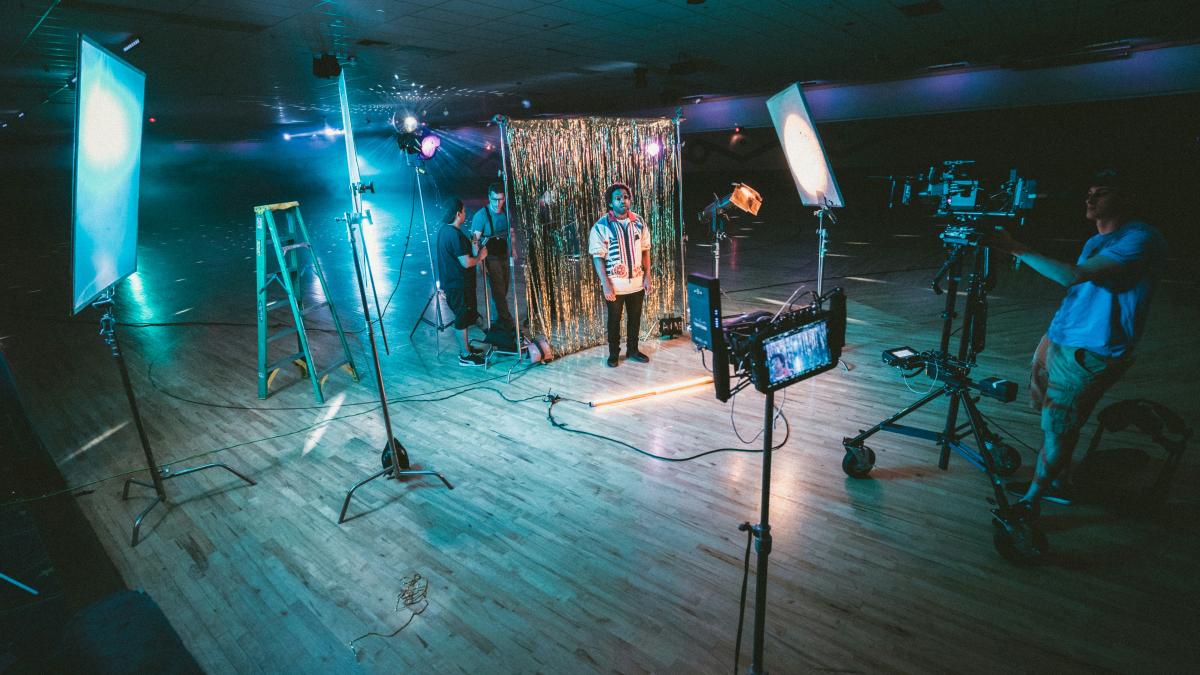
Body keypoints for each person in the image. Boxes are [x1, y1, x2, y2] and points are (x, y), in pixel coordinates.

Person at [989, 169, 1166, 514]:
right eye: (1089, 192)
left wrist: (1015, 248)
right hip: (1060, 339)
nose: (1090, 198)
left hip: (1091, 351)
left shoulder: (1140, 238)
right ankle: (1056, 478)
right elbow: (1081, 294)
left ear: (1127, 199)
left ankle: (1031, 503)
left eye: (1101, 192)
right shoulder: (1095, 241)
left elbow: (1071, 277)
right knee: (1051, 421)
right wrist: (1050, 337)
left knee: (1059, 428)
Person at [589, 182, 652, 368]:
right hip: (615, 285)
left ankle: (633, 350)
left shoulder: (639, 222)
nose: (623, 201)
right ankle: (613, 354)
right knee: (614, 320)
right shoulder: (601, 226)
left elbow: (646, 250)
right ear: (610, 203)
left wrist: (647, 275)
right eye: (618, 198)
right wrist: (605, 283)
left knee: (635, 318)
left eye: (625, 197)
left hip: (637, 283)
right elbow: (597, 257)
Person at [435, 198, 489, 366]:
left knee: (467, 315)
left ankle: (467, 348)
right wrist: (481, 256)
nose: (465, 214)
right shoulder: (454, 234)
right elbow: (466, 263)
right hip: (458, 285)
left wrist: (473, 247)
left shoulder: (445, 231)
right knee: (462, 318)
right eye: (464, 211)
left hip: (456, 284)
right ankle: (465, 356)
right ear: (458, 213)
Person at [470, 183, 514, 328]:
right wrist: (479, 263)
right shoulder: (481, 216)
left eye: (500, 199)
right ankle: (506, 320)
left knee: (503, 289)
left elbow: (511, 233)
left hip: (503, 255)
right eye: (494, 199)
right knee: (498, 290)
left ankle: (498, 319)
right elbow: (475, 241)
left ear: (504, 198)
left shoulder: (506, 212)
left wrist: (513, 250)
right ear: (489, 198)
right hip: (489, 257)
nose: (497, 203)